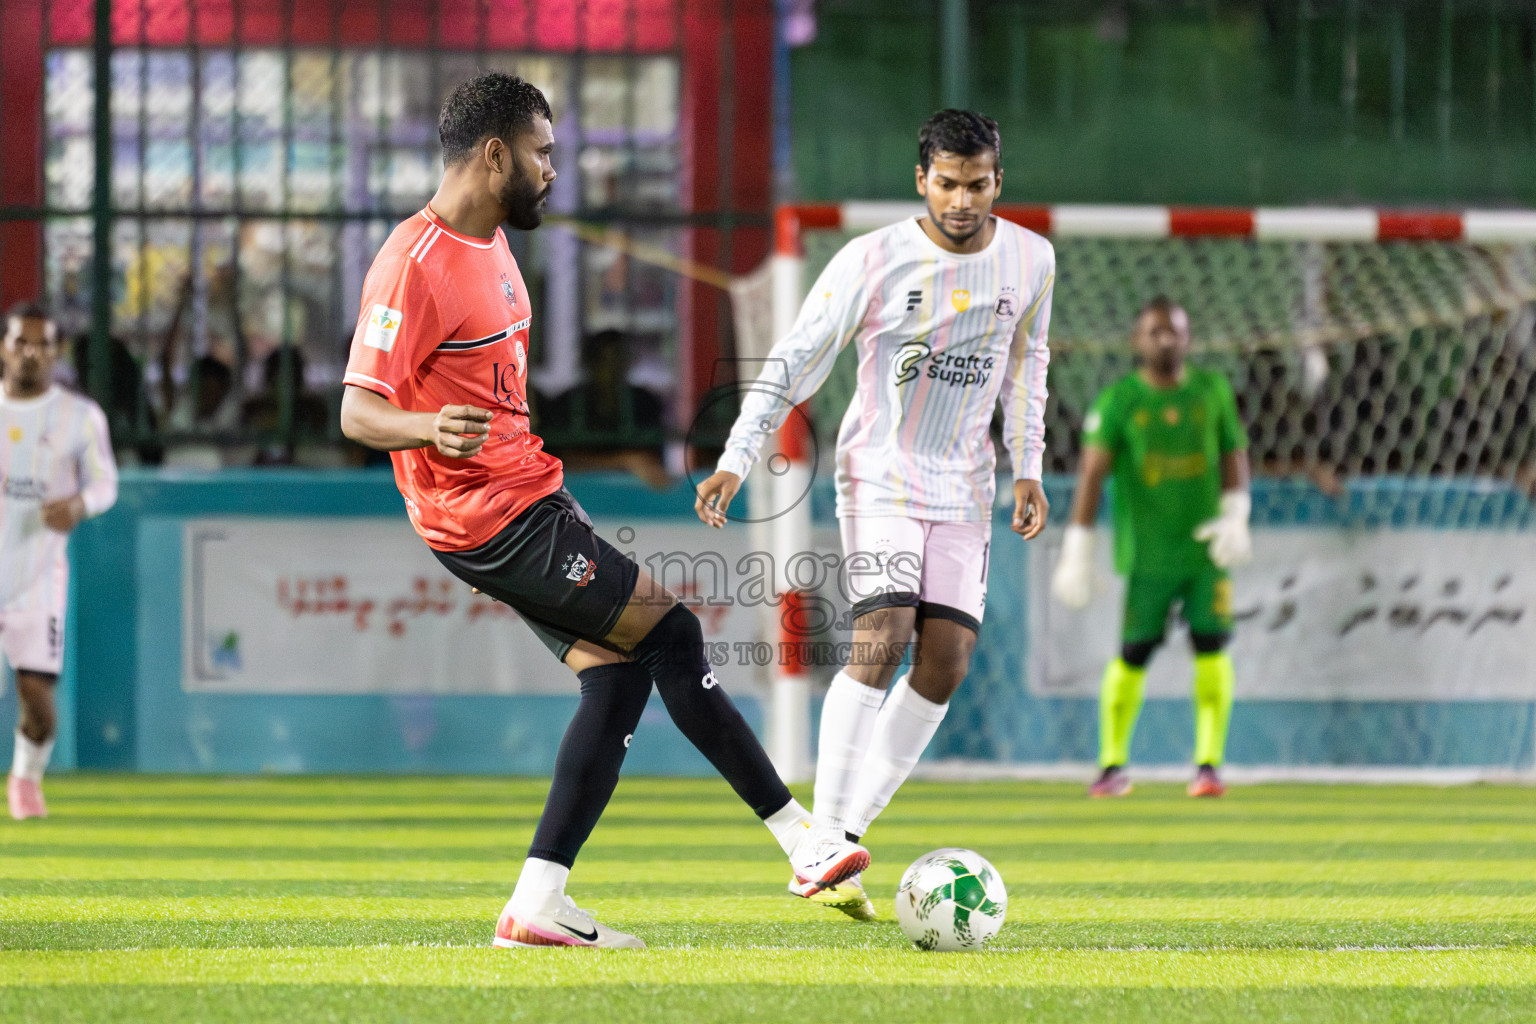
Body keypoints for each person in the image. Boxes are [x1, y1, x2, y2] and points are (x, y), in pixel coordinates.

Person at [338, 72, 866, 950]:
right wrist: (433, 430)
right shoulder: (412, 263)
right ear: (495, 153)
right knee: (675, 634)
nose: (555, 170)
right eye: (543, 153)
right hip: (492, 518)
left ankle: (537, 903)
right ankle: (800, 840)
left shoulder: (498, 246)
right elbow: (359, 412)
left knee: (620, 675)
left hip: (524, 501)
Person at [694, 109, 1054, 920]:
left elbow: (1029, 369)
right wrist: (735, 458)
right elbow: (794, 359)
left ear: (1000, 180)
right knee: (884, 631)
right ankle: (821, 836)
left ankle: (846, 830)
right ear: (922, 179)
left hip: (966, 485)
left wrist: (1028, 468)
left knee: (948, 659)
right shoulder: (874, 259)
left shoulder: (1033, 260)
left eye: (979, 183)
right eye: (949, 183)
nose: (963, 200)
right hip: (881, 473)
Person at [1051, 297, 1251, 799]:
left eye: (1176, 331)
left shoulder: (1212, 390)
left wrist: (1236, 514)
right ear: (1137, 341)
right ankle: (1111, 764)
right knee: (1134, 651)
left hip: (1205, 552)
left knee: (1212, 647)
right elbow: (1092, 473)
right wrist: (1078, 547)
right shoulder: (1120, 401)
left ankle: (1209, 766)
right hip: (1147, 556)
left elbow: (1233, 452)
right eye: (1156, 332)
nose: (1167, 340)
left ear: (1188, 338)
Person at [1, 302, 118, 819]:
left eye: (42, 345)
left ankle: (26, 776)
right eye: (20, 343)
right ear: (4, 348)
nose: (30, 354)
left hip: (37, 576)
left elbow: (106, 483)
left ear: (57, 352)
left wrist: (78, 505)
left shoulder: (79, 416)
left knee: (37, 698)